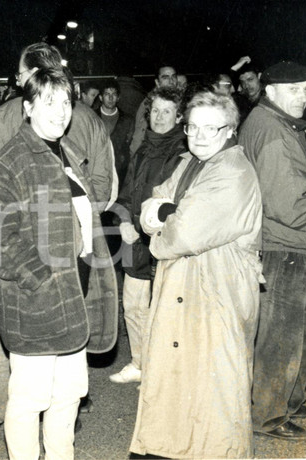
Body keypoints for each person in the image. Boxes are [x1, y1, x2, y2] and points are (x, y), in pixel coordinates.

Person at [0, 41, 116, 440]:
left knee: (68, 395)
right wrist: (37, 275)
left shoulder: (66, 152)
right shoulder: (14, 158)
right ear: (28, 106)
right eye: (48, 103)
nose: (61, 112)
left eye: (66, 102)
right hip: (36, 300)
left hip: (73, 294)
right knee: (29, 398)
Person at [130, 91, 262, 458]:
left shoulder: (234, 172)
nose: (200, 136)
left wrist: (166, 217)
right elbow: (151, 202)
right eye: (193, 127)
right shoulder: (190, 163)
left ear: (230, 130)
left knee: (214, 391)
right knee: (179, 385)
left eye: (211, 128)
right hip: (184, 285)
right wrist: (167, 211)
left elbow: (184, 233)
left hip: (218, 294)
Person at [240, 61, 306, 440]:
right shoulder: (272, 130)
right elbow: (290, 204)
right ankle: (268, 414)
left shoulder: (280, 123)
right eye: (294, 89)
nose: (302, 96)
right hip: (284, 245)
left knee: (297, 331)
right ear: (271, 92)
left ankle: (291, 400)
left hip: (293, 243)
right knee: (281, 335)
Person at [112, 86, 187, 385]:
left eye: (166, 111)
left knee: (163, 309)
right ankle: (139, 362)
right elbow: (127, 194)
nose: (159, 116)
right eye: (155, 110)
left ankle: (163, 372)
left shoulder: (184, 152)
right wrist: (122, 221)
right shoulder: (143, 148)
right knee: (132, 304)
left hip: (161, 242)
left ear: (179, 116)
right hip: (134, 238)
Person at [130, 65, 178, 155]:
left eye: (174, 77)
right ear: (157, 82)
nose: (171, 81)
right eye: (165, 77)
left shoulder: (177, 101)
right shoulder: (151, 104)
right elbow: (139, 136)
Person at [95, 79, 134, 183]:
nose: (111, 98)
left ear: (118, 97)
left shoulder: (127, 120)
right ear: (100, 97)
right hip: (97, 171)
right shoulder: (92, 118)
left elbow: (131, 147)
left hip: (120, 172)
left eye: (114, 94)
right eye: (107, 94)